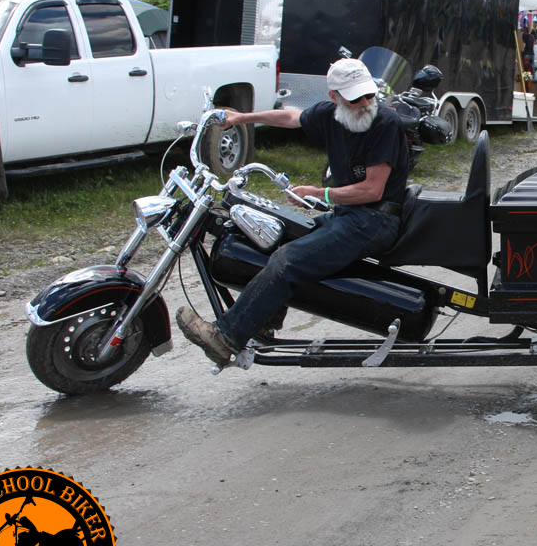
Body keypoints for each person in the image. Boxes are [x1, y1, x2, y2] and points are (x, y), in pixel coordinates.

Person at [175, 57, 409, 368]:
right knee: (279, 235)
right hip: (351, 216)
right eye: (356, 98)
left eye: (369, 95)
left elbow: (372, 190)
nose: (366, 103)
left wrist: (319, 193)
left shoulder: (385, 123)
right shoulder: (330, 115)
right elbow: (291, 118)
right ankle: (262, 321)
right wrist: (241, 117)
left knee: (287, 261)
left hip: (375, 220)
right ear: (334, 98)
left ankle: (225, 338)